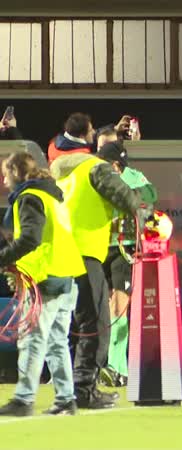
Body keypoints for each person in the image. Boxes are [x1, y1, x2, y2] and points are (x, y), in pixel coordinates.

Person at [50, 143, 149, 409]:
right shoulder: (97, 169)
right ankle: (84, 389)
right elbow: (127, 199)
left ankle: (66, 389)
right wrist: (142, 207)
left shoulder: (67, 175)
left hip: (60, 254)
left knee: (67, 325)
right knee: (96, 323)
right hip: (85, 253)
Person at [0, 152, 85, 416]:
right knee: (57, 340)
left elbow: (30, 239)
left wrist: (4, 258)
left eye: (5, 175)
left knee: (32, 338)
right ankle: (66, 399)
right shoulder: (51, 194)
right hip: (67, 274)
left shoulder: (29, 197)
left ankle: (24, 399)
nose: (4, 181)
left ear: (15, 173)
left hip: (45, 275)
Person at [96, 141, 158, 388]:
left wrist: (128, 198)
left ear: (115, 165)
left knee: (119, 306)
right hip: (99, 247)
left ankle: (116, 366)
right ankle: (114, 367)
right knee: (104, 307)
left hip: (125, 247)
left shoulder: (135, 177)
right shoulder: (97, 178)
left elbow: (151, 196)